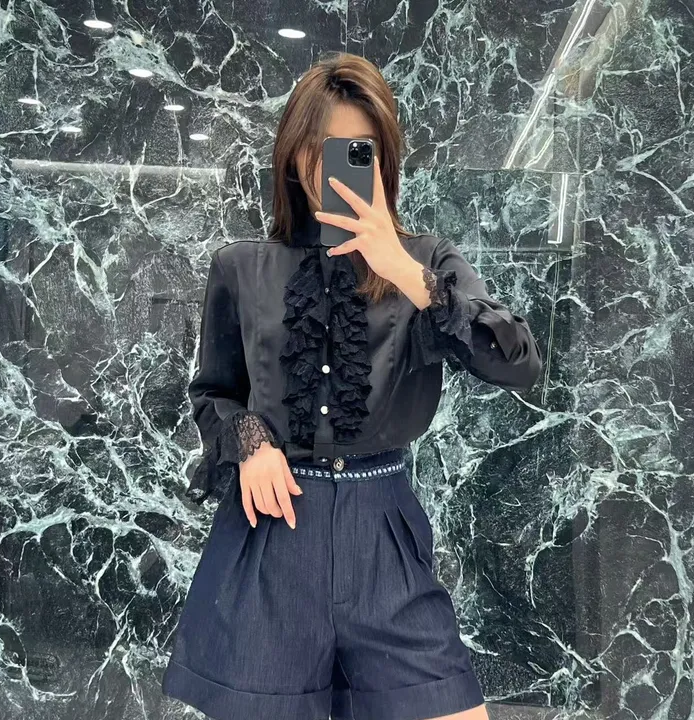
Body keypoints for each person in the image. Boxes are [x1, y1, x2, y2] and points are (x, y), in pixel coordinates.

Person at [162, 52, 542, 720]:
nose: (332, 166)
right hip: (274, 533)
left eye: (355, 150)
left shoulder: (426, 262)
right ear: (293, 153)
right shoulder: (241, 267)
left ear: (382, 157)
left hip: (383, 534)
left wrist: (405, 272)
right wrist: (250, 441)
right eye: (320, 146)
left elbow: (518, 363)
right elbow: (214, 391)